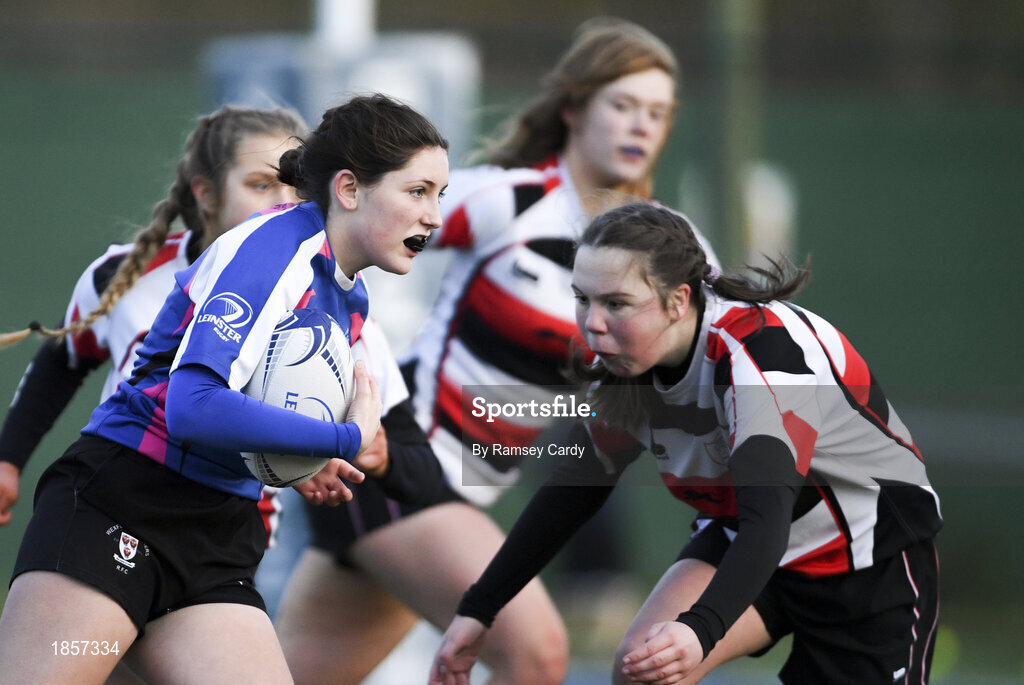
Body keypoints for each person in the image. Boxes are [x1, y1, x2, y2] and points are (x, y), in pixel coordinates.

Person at [270, 18, 720, 685]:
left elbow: (729, 355)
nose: (640, 126)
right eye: (621, 105)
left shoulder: (674, 250)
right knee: (537, 650)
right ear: (573, 109)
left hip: (457, 498)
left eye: (656, 112)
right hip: (398, 456)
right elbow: (352, 226)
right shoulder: (509, 201)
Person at [0, 93, 449, 685]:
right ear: (349, 189)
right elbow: (192, 405)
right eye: (418, 192)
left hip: (222, 533)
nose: (434, 216)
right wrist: (339, 436)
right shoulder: (276, 248)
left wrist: (307, 457)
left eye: (439, 195)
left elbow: (255, 407)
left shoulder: (349, 295)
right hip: (126, 506)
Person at [430, 202, 942, 685]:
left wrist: (700, 629)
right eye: (582, 299)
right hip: (748, 539)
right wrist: (480, 608)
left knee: (676, 648)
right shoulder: (624, 365)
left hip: (867, 557)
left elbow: (770, 521)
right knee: (642, 669)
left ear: (678, 301)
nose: (592, 323)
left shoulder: (760, 361)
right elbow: (575, 487)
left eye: (616, 303)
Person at [0, 104, 308, 528]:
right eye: (262, 184)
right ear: (207, 195)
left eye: (298, 188)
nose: (284, 202)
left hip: (230, 526)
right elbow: (62, 360)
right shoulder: (126, 276)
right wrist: (8, 460)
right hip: (115, 502)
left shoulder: (317, 294)